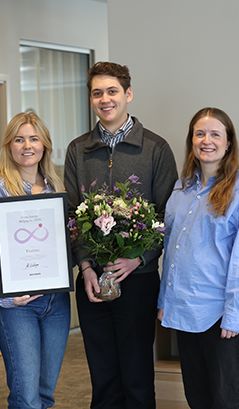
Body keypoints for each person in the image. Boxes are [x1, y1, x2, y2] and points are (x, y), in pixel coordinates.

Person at [64, 61, 178, 409]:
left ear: (128, 94)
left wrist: (138, 258)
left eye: (112, 91)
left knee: (136, 378)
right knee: (103, 379)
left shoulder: (156, 148)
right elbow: (71, 216)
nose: (105, 99)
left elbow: (168, 217)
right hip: (92, 282)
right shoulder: (78, 150)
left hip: (138, 280)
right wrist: (85, 266)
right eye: (97, 93)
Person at [157, 107, 239, 408]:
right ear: (191, 140)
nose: (207, 140)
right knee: (198, 399)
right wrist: (165, 301)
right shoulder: (180, 189)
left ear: (228, 143)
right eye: (200, 134)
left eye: (215, 134)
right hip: (185, 311)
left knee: (228, 402)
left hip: (221, 317)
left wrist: (234, 316)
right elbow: (171, 250)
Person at [0, 112, 71, 409]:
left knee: (45, 394)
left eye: (33, 139)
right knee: (25, 397)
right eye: (19, 139)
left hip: (57, 304)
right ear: (9, 146)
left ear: (44, 145)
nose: (27, 146)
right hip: (18, 306)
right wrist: (4, 298)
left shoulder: (57, 187)